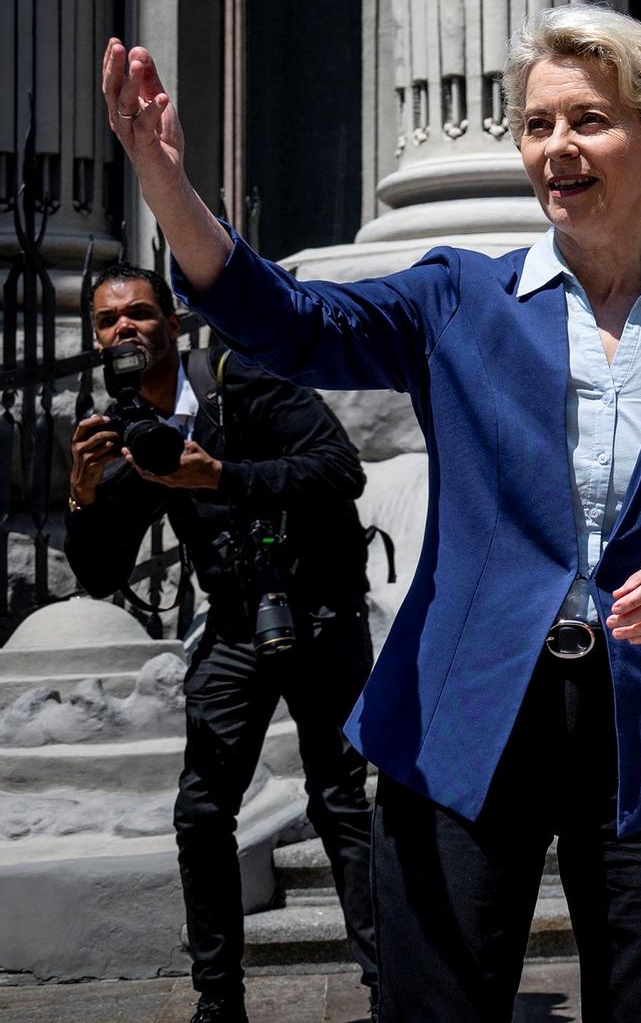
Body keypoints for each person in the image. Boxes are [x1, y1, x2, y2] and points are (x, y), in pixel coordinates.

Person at [100, 2, 641, 1023]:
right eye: (536, 123)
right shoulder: (459, 298)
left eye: (586, 120)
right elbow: (287, 323)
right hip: (468, 712)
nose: (554, 147)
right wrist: (167, 184)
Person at [65, 262, 377, 1023]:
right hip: (237, 623)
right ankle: (218, 1004)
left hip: (321, 612)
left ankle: (391, 988)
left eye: (141, 312)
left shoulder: (247, 379)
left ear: (173, 323)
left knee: (340, 801)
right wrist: (83, 494)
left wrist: (223, 475)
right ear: (97, 340)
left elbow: (342, 471)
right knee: (201, 814)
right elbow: (101, 574)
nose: (125, 329)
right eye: (109, 322)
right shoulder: (132, 432)